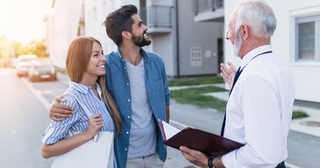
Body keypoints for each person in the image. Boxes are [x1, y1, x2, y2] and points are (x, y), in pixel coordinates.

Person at [48, 5, 170, 168]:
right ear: (126, 34)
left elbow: (165, 100)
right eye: (140, 25)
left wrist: (165, 137)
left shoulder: (157, 62)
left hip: (155, 154)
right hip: (123, 157)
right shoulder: (107, 66)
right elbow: (83, 87)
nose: (145, 27)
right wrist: (55, 105)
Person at [180, 0, 295, 168]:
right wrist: (238, 86)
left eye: (230, 28)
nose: (227, 36)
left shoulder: (254, 76)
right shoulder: (277, 67)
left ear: (243, 31)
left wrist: (210, 163)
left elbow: (261, 154)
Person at [41, 36, 122, 168]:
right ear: (81, 61)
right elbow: (46, 150)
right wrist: (88, 134)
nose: (104, 58)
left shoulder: (101, 92)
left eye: (102, 53)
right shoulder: (70, 101)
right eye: (96, 55)